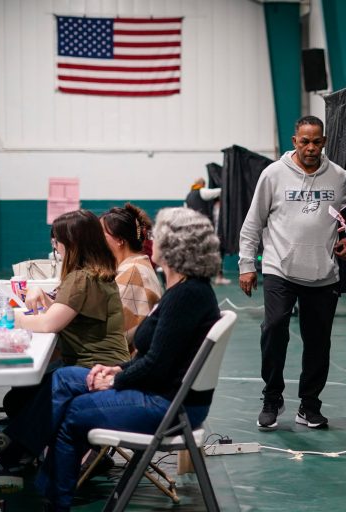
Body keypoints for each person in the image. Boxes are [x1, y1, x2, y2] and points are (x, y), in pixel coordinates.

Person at [32, 207, 222, 511]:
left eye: (158, 236)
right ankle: (25, 461)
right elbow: (152, 356)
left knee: (72, 412)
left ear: (175, 247)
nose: (151, 241)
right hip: (167, 395)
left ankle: (54, 500)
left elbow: (157, 365)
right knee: (63, 378)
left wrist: (115, 380)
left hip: (169, 406)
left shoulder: (187, 296)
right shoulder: (183, 290)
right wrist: (117, 368)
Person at [0, 209, 131, 492]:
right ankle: (25, 451)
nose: (55, 248)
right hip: (103, 364)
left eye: (57, 241)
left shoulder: (82, 278)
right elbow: (67, 314)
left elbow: (48, 324)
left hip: (95, 370)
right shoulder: (96, 275)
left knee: (37, 392)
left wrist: (7, 318)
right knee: (22, 395)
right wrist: (43, 298)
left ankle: (10, 459)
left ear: (71, 243)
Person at [238, 115, 346, 431]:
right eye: (305, 141)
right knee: (274, 327)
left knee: (318, 342)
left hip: (323, 273)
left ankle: (310, 405)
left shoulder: (338, 176)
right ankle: (272, 397)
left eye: (317, 141)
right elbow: (253, 222)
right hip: (280, 268)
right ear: (295, 141)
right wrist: (246, 265)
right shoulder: (273, 175)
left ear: (324, 142)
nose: (311, 147)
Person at [100, 203, 164, 353]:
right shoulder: (135, 264)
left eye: (100, 234)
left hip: (122, 363)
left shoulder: (132, 274)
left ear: (120, 240)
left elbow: (114, 335)